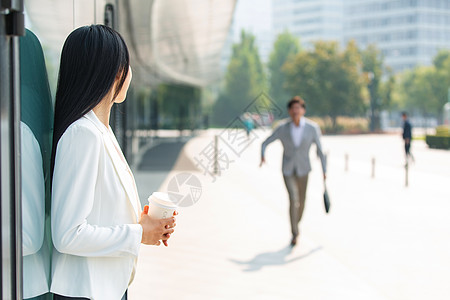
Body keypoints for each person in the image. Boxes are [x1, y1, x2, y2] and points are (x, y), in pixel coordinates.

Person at [50, 25, 176, 300]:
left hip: (106, 288)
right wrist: (138, 233)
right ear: (116, 72)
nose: (130, 75)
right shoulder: (82, 134)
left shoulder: (101, 131)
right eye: (128, 67)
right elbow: (68, 234)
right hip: (86, 292)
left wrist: (143, 222)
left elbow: (97, 211)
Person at [260, 96, 326, 247]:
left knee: (302, 201)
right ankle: (294, 233)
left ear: (303, 110)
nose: (296, 111)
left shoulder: (312, 128)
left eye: (299, 108)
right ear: (289, 111)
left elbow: (320, 151)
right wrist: (262, 155)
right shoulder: (282, 128)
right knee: (293, 198)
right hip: (288, 169)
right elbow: (265, 142)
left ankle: (296, 222)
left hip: (304, 169)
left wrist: (324, 170)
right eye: (293, 108)